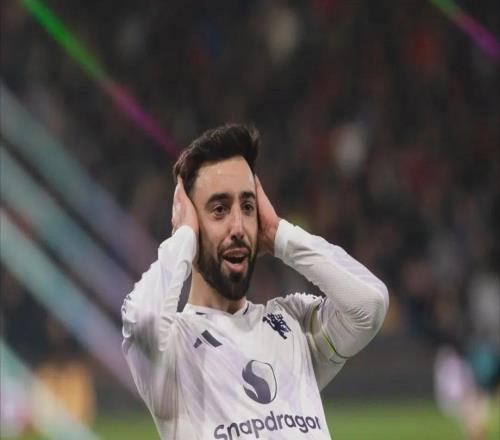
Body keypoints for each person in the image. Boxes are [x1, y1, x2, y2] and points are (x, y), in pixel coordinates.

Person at [121, 124, 389, 439]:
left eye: (248, 207)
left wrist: (279, 235)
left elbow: (370, 304)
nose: (238, 226)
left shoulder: (294, 324)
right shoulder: (173, 351)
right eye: (219, 209)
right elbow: (144, 320)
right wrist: (184, 237)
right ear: (189, 222)